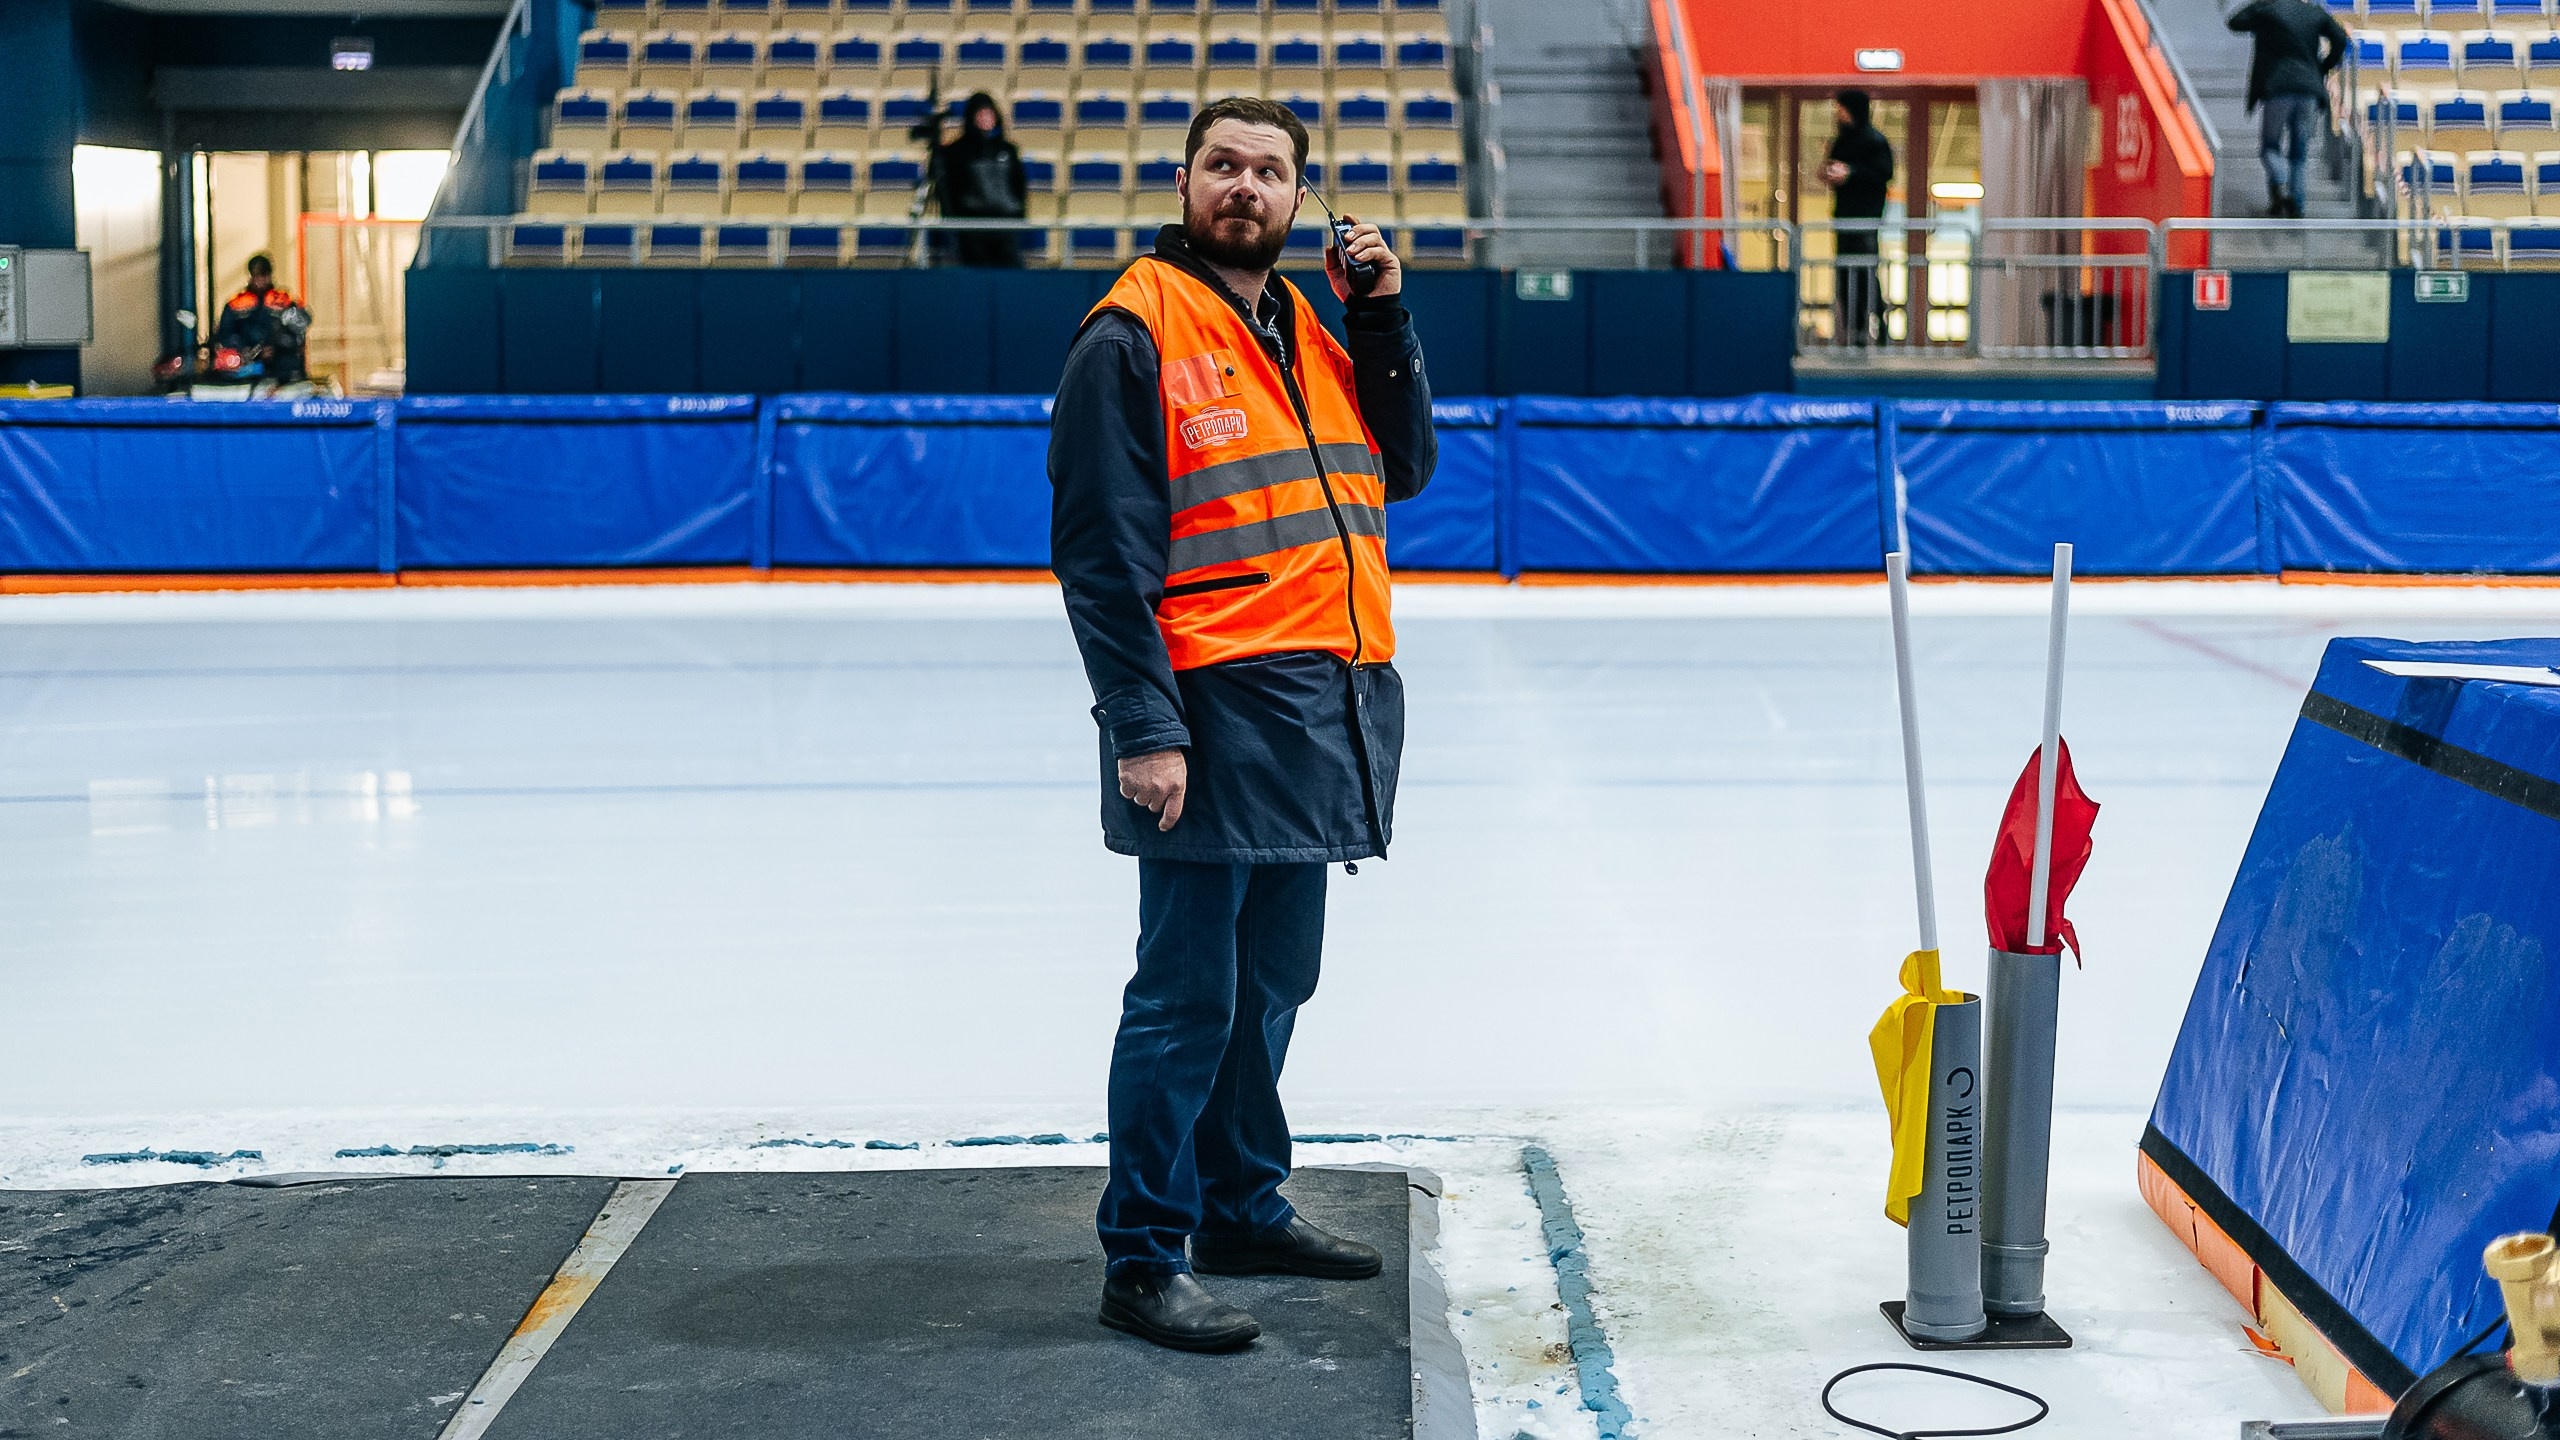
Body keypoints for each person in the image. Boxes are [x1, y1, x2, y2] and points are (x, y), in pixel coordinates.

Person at [1046, 95, 1436, 1354]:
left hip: (1317, 715)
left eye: (1270, 172)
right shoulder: (1130, 331)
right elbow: (1102, 555)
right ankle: (1144, 1253)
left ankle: (1239, 1203)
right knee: (1185, 999)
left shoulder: (1311, 328)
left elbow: (1406, 465)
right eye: (1224, 165)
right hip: (1206, 718)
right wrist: (1142, 728)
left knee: (1275, 982)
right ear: (1183, 183)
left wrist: (1381, 318)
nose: (1245, 188)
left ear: (1298, 198)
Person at [2226, 0, 2350, 217]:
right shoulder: (2313, 12)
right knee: (2299, 152)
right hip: (2308, 90)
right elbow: (2340, 38)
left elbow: (2235, 22)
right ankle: (2296, 204)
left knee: (2270, 146)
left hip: (2277, 87)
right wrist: (2322, 67)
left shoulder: (2268, 11)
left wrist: (2261, 4)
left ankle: (2281, 182)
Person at [1821, 89, 1894, 347]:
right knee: (1844, 276)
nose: (1837, 114)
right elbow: (1831, 167)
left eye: (1841, 108)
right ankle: (1856, 330)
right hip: (1844, 219)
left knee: (1865, 273)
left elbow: (1883, 173)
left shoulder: (1875, 141)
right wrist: (1831, 173)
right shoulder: (1841, 141)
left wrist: (1851, 173)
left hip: (1865, 220)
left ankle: (1879, 327)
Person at [931, 92, 1029, 267]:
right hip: (972, 228)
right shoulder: (957, 151)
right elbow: (950, 188)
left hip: (1005, 225)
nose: (985, 118)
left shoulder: (1007, 150)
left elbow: (1019, 185)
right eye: (980, 113)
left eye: (989, 113)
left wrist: (1018, 213)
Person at [210, 254, 309, 381]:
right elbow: (225, 334)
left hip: (283, 370)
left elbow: (301, 329)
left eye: (263, 274)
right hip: (247, 369)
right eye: (257, 275)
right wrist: (248, 350)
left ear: (269, 275)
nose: (260, 279)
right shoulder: (236, 303)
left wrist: (278, 346)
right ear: (251, 275)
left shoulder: (284, 300)